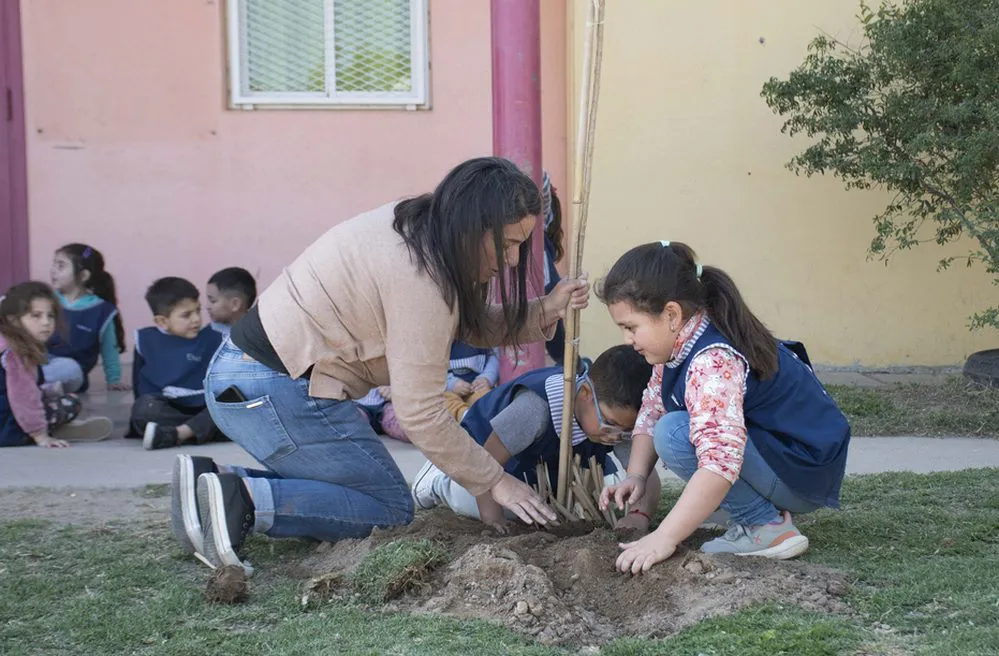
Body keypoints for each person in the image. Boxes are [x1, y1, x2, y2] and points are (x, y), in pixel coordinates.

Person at [169, 157, 588, 568]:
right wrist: (497, 482)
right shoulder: (421, 280)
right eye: (508, 244)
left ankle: (212, 479)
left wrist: (544, 310)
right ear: (472, 226)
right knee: (385, 505)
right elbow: (421, 414)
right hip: (275, 388)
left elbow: (462, 326)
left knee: (356, 490)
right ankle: (241, 499)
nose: (513, 260)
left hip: (251, 376)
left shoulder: (419, 229)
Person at [597, 241, 851, 573]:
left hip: (802, 472)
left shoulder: (712, 360)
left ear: (671, 314)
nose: (628, 339)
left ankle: (765, 527)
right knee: (668, 424)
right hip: (788, 459)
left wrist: (663, 538)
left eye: (631, 327)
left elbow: (719, 461)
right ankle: (757, 514)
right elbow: (652, 408)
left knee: (674, 433)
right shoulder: (681, 342)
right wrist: (637, 475)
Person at [411, 345, 661, 533]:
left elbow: (644, 473)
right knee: (502, 509)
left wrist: (639, 515)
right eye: (612, 425)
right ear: (585, 393)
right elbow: (487, 461)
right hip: (485, 462)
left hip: (539, 474)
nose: (617, 436)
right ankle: (439, 480)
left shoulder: (615, 418)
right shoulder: (535, 409)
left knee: (612, 493)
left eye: (626, 431)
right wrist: (493, 520)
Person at [1, 282, 113, 447]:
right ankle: (44, 430)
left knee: (50, 395)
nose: (46, 322)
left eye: (50, 316)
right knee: (70, 403)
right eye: (36, 315)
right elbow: (23, 397)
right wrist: (40, 435)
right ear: (13, 320)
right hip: (7, 428)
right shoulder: (17, 352)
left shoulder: (9, 343)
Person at [129, 277, 224, 450]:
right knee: (144, 409)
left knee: (229, 405)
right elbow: (139, 387)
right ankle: (195, 430)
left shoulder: (213, 338)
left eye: (197, 311)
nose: (196, 319)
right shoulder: (147, 341)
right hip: (169, 409)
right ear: (162, 322)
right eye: (186, 315)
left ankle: (176, 434)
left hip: (207, 406)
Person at [47, 244, 128, 392]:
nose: (53, 270)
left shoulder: (102, 310)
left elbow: (109, 348)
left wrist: (114, 379)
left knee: (69, 369)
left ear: (83, 276)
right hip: (42, 362)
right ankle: (40, 385)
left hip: (72, 372)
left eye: (61, 266)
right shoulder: (47, 299)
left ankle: (42, 386)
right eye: (54, 264)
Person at [206, 267, 257, 336]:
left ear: (235, 304)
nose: (207, 307)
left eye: (213, 301)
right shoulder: (209, 333)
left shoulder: (257, 336)